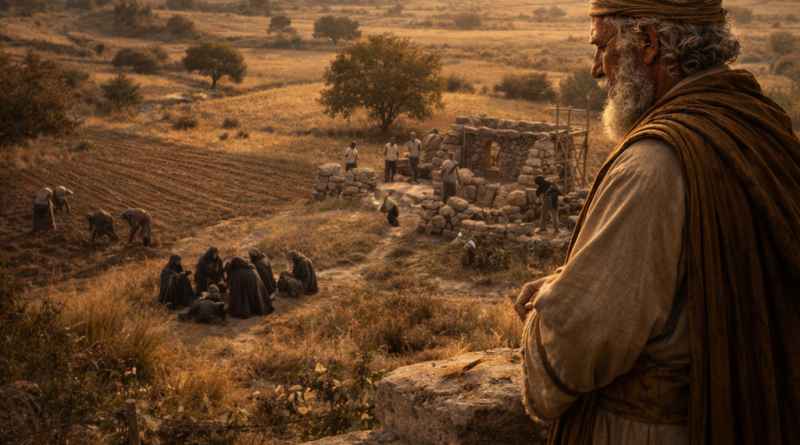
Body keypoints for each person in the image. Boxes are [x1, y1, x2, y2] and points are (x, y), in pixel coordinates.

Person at [517, 2, 800, 445]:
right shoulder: (759, 121)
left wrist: (548, 304)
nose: (596, 69)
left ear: (648, 42)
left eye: (602, 47)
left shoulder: (652, 165)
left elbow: (576, 343)